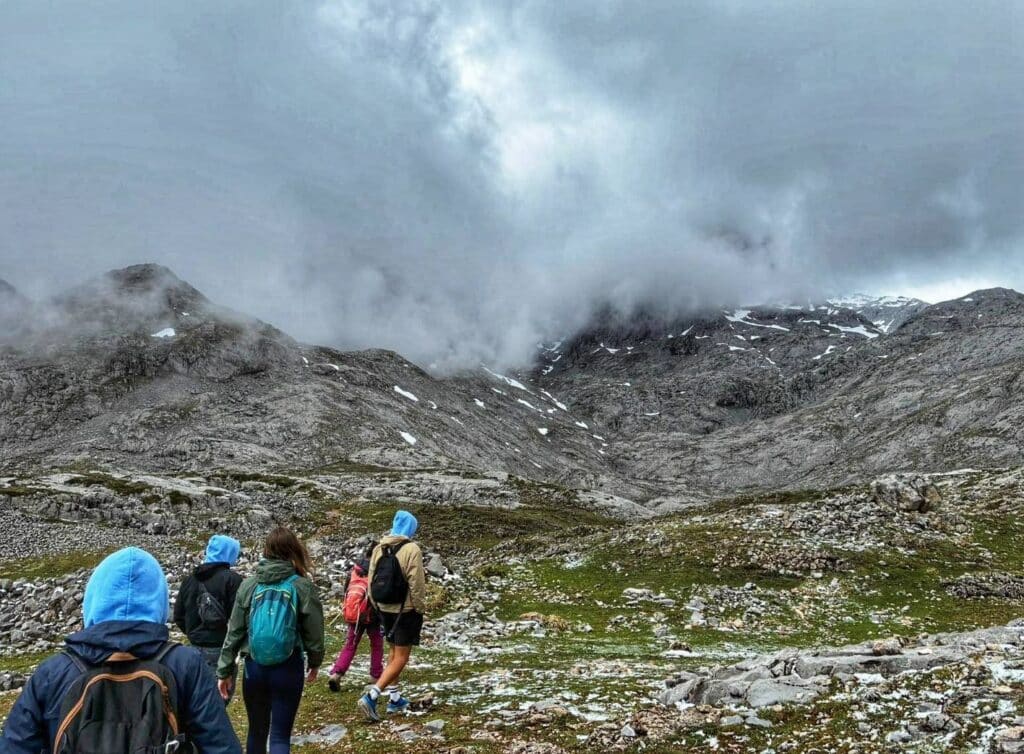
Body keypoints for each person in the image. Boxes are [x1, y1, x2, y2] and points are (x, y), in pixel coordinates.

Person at [0, 547, 241, 754]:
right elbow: (221, 746)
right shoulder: (185, 664)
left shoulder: (53, 672)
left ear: (94, 598)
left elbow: (14, 746)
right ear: (158, 602)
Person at [218, 527, 324, 754]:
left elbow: (234, 632)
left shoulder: (249, 585)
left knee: (256, 732)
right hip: (289, 665)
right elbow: (314, 631)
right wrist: (315, 661)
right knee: (280, 736)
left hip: (254, 666)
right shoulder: (301, 586)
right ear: (293, 550)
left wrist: (224, 670)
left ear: (266, 550)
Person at [357, 510, 426, 722]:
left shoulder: (380, 547)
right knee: (402, 657)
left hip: (384, 608)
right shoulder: (412, 549)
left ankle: (395, 698)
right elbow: (416, 582)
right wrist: (419, 607)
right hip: (405, 610)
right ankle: (372, 696)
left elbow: (371, 578)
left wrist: (376, 604)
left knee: (393, 651)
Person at [173, 534, 243, 702]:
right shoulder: (233, 580)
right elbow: (239, 620)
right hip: (221, 650)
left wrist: (193, 633)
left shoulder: (189, 580)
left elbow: (178, 616)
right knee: (219, 700)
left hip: (193, 649)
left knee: (194, 701)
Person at [327, 559, 384, 690]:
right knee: (376, 645)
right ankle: (375, 676)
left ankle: (336, 674)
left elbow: (346, 593)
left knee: (350, 645)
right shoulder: (374, 573)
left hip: (354, 616)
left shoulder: (354, 573)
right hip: (371, 616)